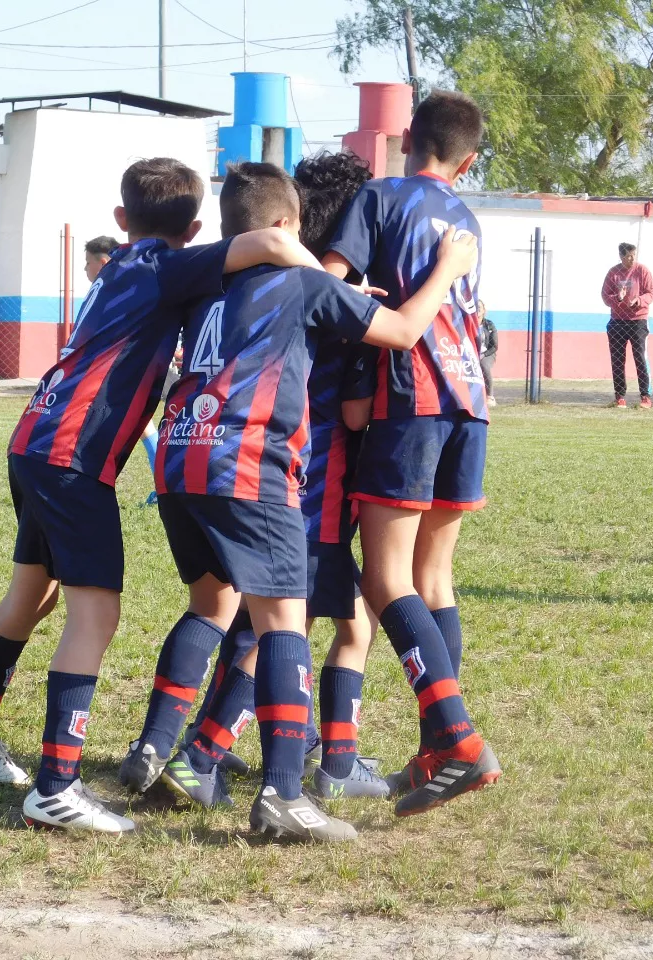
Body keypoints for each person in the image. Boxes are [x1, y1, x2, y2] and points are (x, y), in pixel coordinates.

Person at [0, 156, 324, 835]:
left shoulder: (117, 264)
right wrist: (331, 283)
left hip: (35, 438)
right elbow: (270, 240)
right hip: (72, 456)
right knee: (96, 616)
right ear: (195, 229)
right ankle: (56, 787)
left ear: (121, 218)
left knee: (33, 595)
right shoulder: (169, 266)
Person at [124, 161, 480, 842]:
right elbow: (399, 339)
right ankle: (279, 788)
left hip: (181, 459)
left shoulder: (207, 280)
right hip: (260, 469)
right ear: (289, 228)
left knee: (217, 610)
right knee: (287, 625)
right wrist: (446, 270)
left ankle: (164, 746)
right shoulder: (307, 286)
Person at [163, 151, 387, 806]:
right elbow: (358, 404)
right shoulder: (324, 297)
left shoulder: (243, 289)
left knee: (265, 625)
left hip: (234, 466)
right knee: (311, 627)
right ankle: (223, 756)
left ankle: (248, 750)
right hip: (299, 481)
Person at [324, 90, 502, 819]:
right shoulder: (467, 222)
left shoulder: (379, 196)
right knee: (434, 577)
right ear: (468, 161)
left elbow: (329, 282)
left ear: (405, 138)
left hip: (410, 396)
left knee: (383, 577)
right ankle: (436, 751)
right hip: (471, 401)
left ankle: (459, 740)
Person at [601, 242, 653, 408]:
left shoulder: (642, 271)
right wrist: (617, 298)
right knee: (617, 359)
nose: (632, 259)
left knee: (640, 358)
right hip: (617, 321)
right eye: (628, 256)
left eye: (634, 255)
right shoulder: (613, 273)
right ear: (621, 256)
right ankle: (620, 396)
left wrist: (639, 300)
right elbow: (605, 296)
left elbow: (651, 293)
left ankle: (645, 396)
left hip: (638, 321)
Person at [477, 300, 498, 407]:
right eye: (475, 306)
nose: (477, 309)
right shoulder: (467, 322)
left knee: (484, 366)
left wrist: (483, 355)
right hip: (471, 352)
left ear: (484, 310)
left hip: (487, 353)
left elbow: (494, 346)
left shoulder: (489, 325)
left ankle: (490, 396)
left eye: (479, 307)